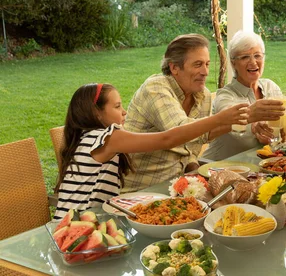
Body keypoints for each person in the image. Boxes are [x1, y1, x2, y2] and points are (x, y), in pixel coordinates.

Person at [53, 83, 248, 220]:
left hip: (83, 223)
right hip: (77, 228)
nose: (124, 112)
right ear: (96, 112)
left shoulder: (85, 138)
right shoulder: (107, 138)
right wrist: (219, 119)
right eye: (117, 106)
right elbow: (167, 139)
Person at [122, 34, 282, 193]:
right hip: (140, 190)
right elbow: (178, 132)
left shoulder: (202, 95)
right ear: (174, 68)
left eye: (207, 64)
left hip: (177, 186)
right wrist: (239, 116)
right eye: (198, 64)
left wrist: (197, 173)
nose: (205, 72)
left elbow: (191, 147)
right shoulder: (155, 88)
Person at [202, 31, 286, 160]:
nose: (253, 62)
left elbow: (284, 121)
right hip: (219, 169)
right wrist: (253, 127)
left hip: (258, 168)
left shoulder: (271, 87)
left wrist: (283, 129)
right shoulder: (225, 96)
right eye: (245, 57)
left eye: (257, 56)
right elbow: (230, 118)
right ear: (233, 63)